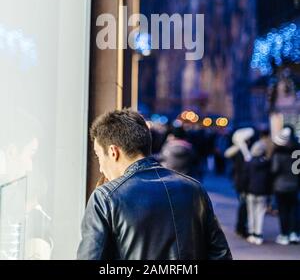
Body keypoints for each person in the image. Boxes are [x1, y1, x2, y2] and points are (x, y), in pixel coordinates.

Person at [77, 109, 232, 260]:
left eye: (98, 156)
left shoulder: (105, 198)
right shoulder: (194, 189)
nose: (100, 167)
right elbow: (221, 254)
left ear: (113, 152)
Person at [271, 126, 300, 245]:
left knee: (283, 211)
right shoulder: (297, 150)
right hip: (294, 185)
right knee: (294, 210)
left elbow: (274, 169)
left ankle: (284, 234)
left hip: (280, 186)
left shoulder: (278, 153)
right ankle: (294, 233)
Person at [246, 141, 272, 246]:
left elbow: (245, 178)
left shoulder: (249, 162)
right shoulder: (267, 163)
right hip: (262, 191)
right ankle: (258, 234)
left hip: (250, 190)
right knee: (260, 213)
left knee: (251, 213)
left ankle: (252, 233)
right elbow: (269, 179)